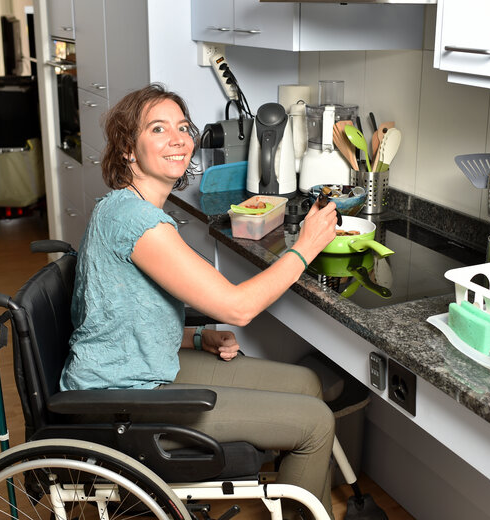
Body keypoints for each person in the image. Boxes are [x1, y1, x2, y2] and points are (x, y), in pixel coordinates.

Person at [60, 83, 340, 518]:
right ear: (128, 150)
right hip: (121, 401)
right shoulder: (138, 222)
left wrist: (194, 337)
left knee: (307, 384)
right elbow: (238, 308)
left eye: (183, 127)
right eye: (158, 129)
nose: (178, 139)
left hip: (136, 369)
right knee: (316, 423)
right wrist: (305, 247)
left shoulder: (122, 206)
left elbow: (117, 315)